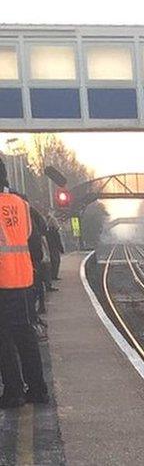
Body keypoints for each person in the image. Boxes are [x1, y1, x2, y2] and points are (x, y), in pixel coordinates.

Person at [0, 160, 49, 408]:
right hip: (23, 280)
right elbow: (31, 239)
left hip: (1, 283)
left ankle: (13, 392)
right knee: (26, 337)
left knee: (3, 340)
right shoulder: (21, 204)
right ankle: (38, 389)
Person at [45, 215, 64, 283]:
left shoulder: (47, 232)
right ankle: (54, 276)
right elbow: (58, 241)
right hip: (54, 249)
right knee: (56, 261)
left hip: (49, 249)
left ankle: (52, 276)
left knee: (52, 262)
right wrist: (61, 249)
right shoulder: (55, 232)